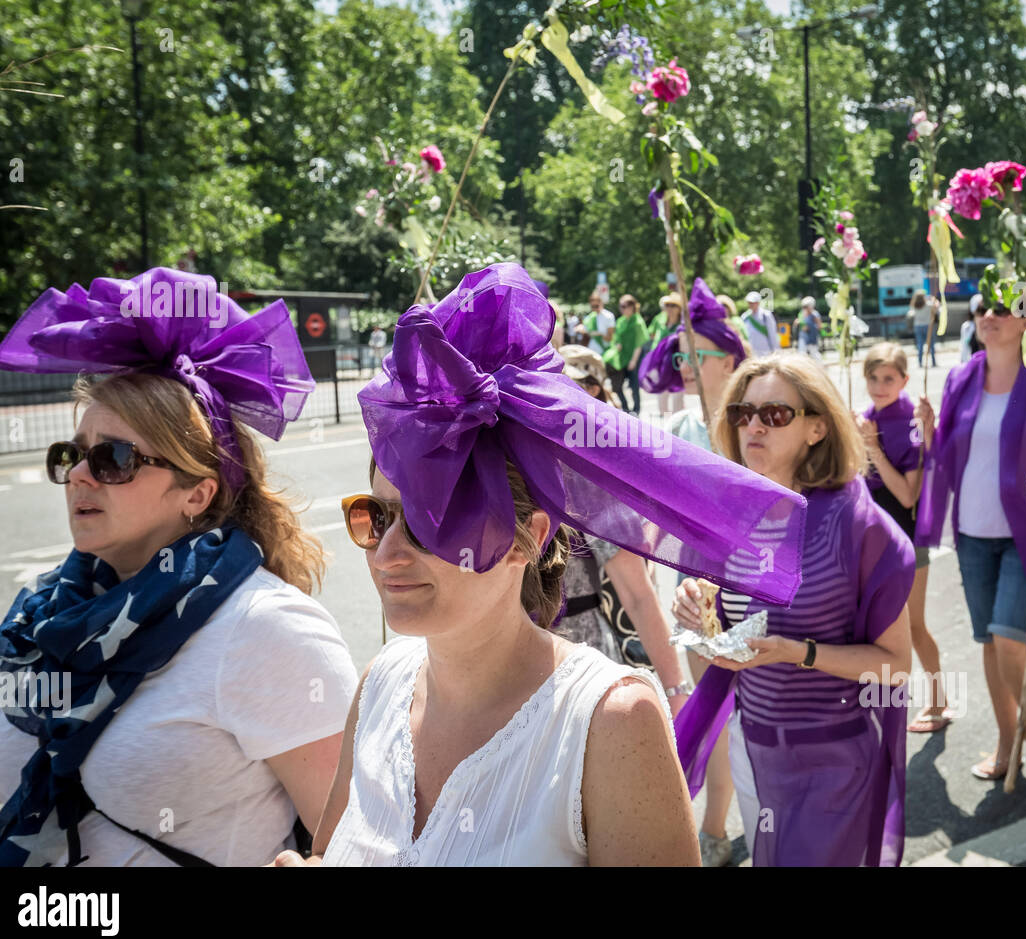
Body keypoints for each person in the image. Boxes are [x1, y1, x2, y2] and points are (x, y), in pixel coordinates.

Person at [296, 263, 808, 867]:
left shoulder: (612, 724)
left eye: (432, 522)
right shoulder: (379, 684)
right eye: (373, 516)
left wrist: (674, 685)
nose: (385, 552)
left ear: (526, 540)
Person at [0, 268, 358, 866]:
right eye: (73, 454)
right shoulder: (59, 608)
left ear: (196, 493)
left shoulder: (266, 629)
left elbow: (359, 844)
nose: (79, 474)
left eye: (115, 458)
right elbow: (24, 774)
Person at [672, 351, 915, 866]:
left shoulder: (858, 527)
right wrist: (695, 614)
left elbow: (895, 666)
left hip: (834, 754)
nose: (753, 425)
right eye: (743, 413)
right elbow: (713, 661)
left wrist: (795, 651)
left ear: (817, 428)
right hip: (753, 748)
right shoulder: (726, 520)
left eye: (775, 414)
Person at [916, 303, 1026, 784]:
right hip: (972, 532)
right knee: (990, 641)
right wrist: (931, 434)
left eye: (1005, 308)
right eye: (983, 307)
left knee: (1010, 640)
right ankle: (1007, 738)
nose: (990, 314)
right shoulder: (961, 379)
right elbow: (951, 453)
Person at [640, 277, 748, 866]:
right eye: (679, 355)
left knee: (763, 713)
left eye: (694, 355)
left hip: (753, 596)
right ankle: (714, 830)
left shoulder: (755, 422)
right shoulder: (682, 429)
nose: (681, 365)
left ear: (727, 359)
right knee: (714, 714)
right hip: (696, 594)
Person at [555, 345, 690, 702]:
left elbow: (661, 527)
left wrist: (676, 691)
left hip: (588, 654)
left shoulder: (604, 446)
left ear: (594, 388)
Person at [859, 343, 950, 731]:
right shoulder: (864, 418)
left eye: (889, 379)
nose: (880, 386)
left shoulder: (909, 423)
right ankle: (878, 708)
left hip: (909, 539)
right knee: (872, 625)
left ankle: (939, 701)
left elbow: (907, 495)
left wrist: (873, 450)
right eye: (873, 378)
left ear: (905, 380)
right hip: (870, 541)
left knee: (912, 625)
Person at [603, 293, 649, 415]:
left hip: (634, 357)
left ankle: (636, 410)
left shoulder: (638, 322)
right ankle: (626, 408)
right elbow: (615, 338)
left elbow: (639, 343)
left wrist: (633, 361)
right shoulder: (621, 321)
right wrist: (616, 345)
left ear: (633, 306)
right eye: (621, 306)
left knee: (634, 385)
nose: (623, 309)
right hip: (621, 358)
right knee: (617, 384)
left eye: (626, 306)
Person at [742, 291, 780, 356]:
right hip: (751, 352)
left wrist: (776, 351)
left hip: (765, 351)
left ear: (758, 303)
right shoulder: (745, 316)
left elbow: (772, 334)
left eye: (753, 303)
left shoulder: (765, 315)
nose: (751, 304)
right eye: (749, 302)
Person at [910, 291, 939, 368]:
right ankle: (933, 362)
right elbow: (937, 307)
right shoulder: (928, 305)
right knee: (931, 345)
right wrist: (933, 299)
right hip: (928, 326)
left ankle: (920, 362)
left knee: (920, 345)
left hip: (918, 326)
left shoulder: (914, 306)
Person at [582, 291, 615, 357]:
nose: (594, 308)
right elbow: (587, 333)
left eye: (596, 306)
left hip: (604, 352)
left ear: (601, 303)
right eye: (592, 306)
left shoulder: (609, 316)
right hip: (591, 351)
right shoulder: (590, 317)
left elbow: (610, 338)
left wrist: (600, 334)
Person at [959, 294, 984, 363]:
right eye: (979, 310)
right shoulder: (967, 327)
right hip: (972, 364)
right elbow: (964, 348)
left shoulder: (991, 326)